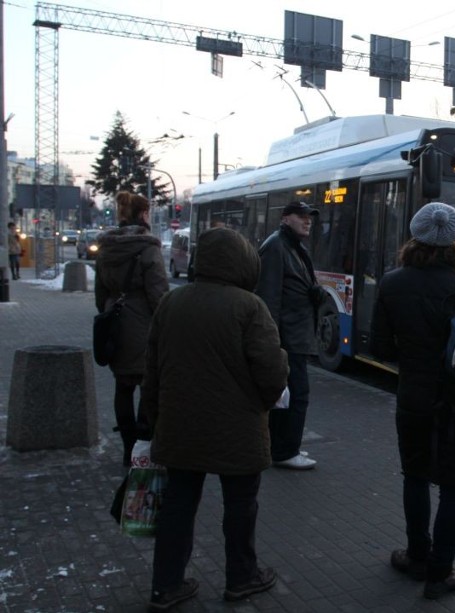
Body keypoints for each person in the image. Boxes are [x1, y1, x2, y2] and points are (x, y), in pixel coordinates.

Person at [141, 227, 289, 611]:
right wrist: (265, 400)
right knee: (240, 507)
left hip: (179, 427)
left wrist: (153, 419)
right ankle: (241, 578)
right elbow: (271, 372)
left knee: (177, 507)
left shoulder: (171, 303)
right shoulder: (249, 307)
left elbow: (153, 370)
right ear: (243, 262)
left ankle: (165, 586)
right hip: (237, 429)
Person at [370, 202, 455, 601]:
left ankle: (416, 555)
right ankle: (440, 572)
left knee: (416, 475)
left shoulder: (391, 283)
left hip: (414, 397)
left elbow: (381, 347)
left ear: (414, 235)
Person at [95, 191, 169, 467]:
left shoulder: (107, 248)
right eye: (148, 212)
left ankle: (127, 447)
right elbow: (158, 294)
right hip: (143, 326)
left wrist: (110, 314)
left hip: (116, 323)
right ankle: (143, 444)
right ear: (141, 215)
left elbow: (99, 294)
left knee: (122, 388)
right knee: (148, 386)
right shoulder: (148, 248)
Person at [256, 201, 325, 470]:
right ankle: (285, 451)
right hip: (288, 336)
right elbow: (269, 296)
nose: (307, 221)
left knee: (288, 395)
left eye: (309, 217)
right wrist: (272, 341)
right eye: (301, 216)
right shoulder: (277, 247)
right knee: (296, 395)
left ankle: (284, 446)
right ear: (286, 219)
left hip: (294, 332)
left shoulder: (292, 245)